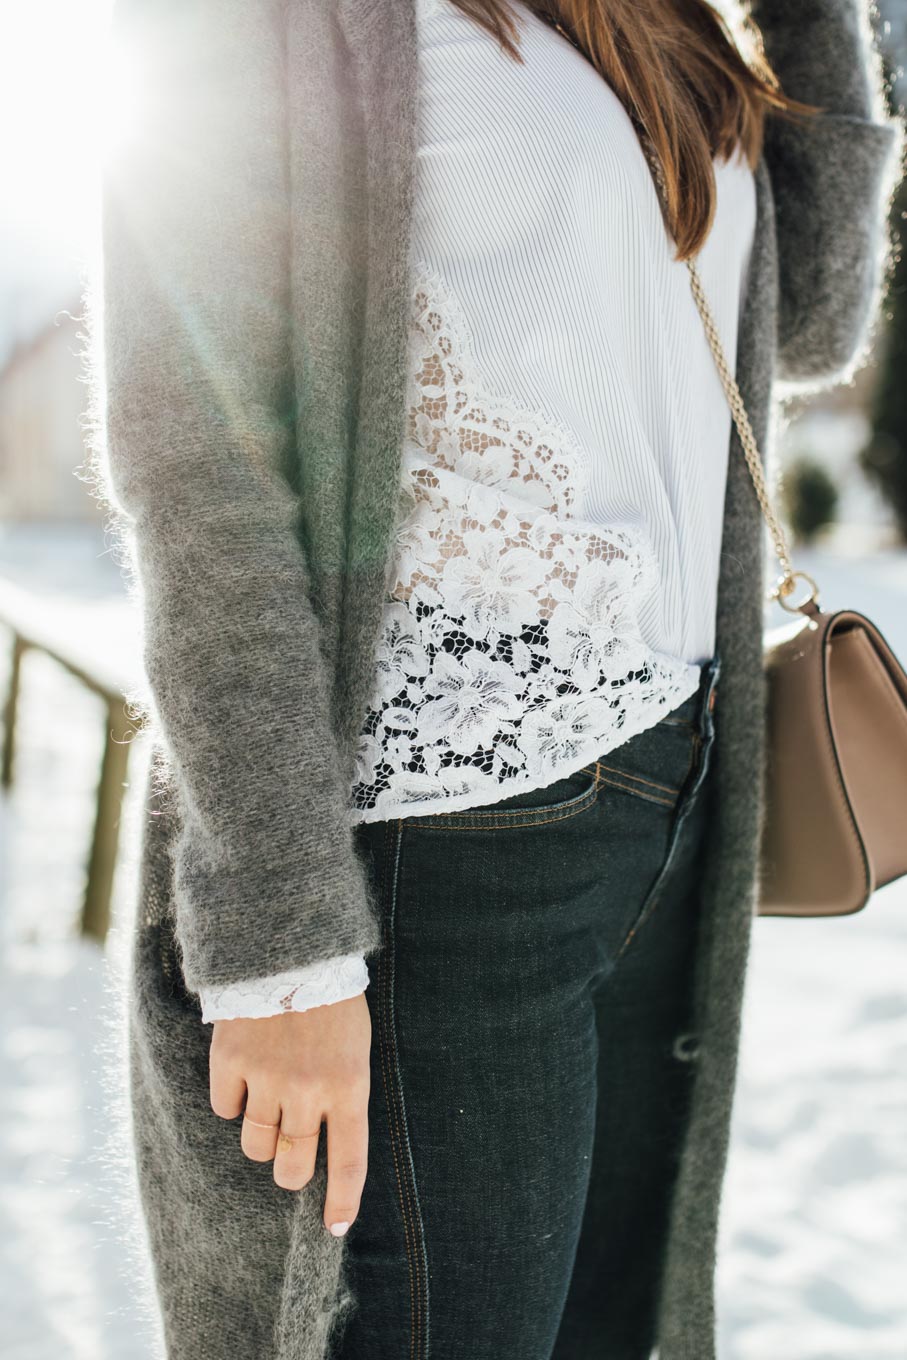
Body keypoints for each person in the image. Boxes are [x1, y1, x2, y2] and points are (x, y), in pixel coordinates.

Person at [89, 1, 901, 1357]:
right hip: (443, 850)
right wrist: (278, 936)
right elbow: (201, 462)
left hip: (673, 797)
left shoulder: (650, 16)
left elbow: (809, 317)